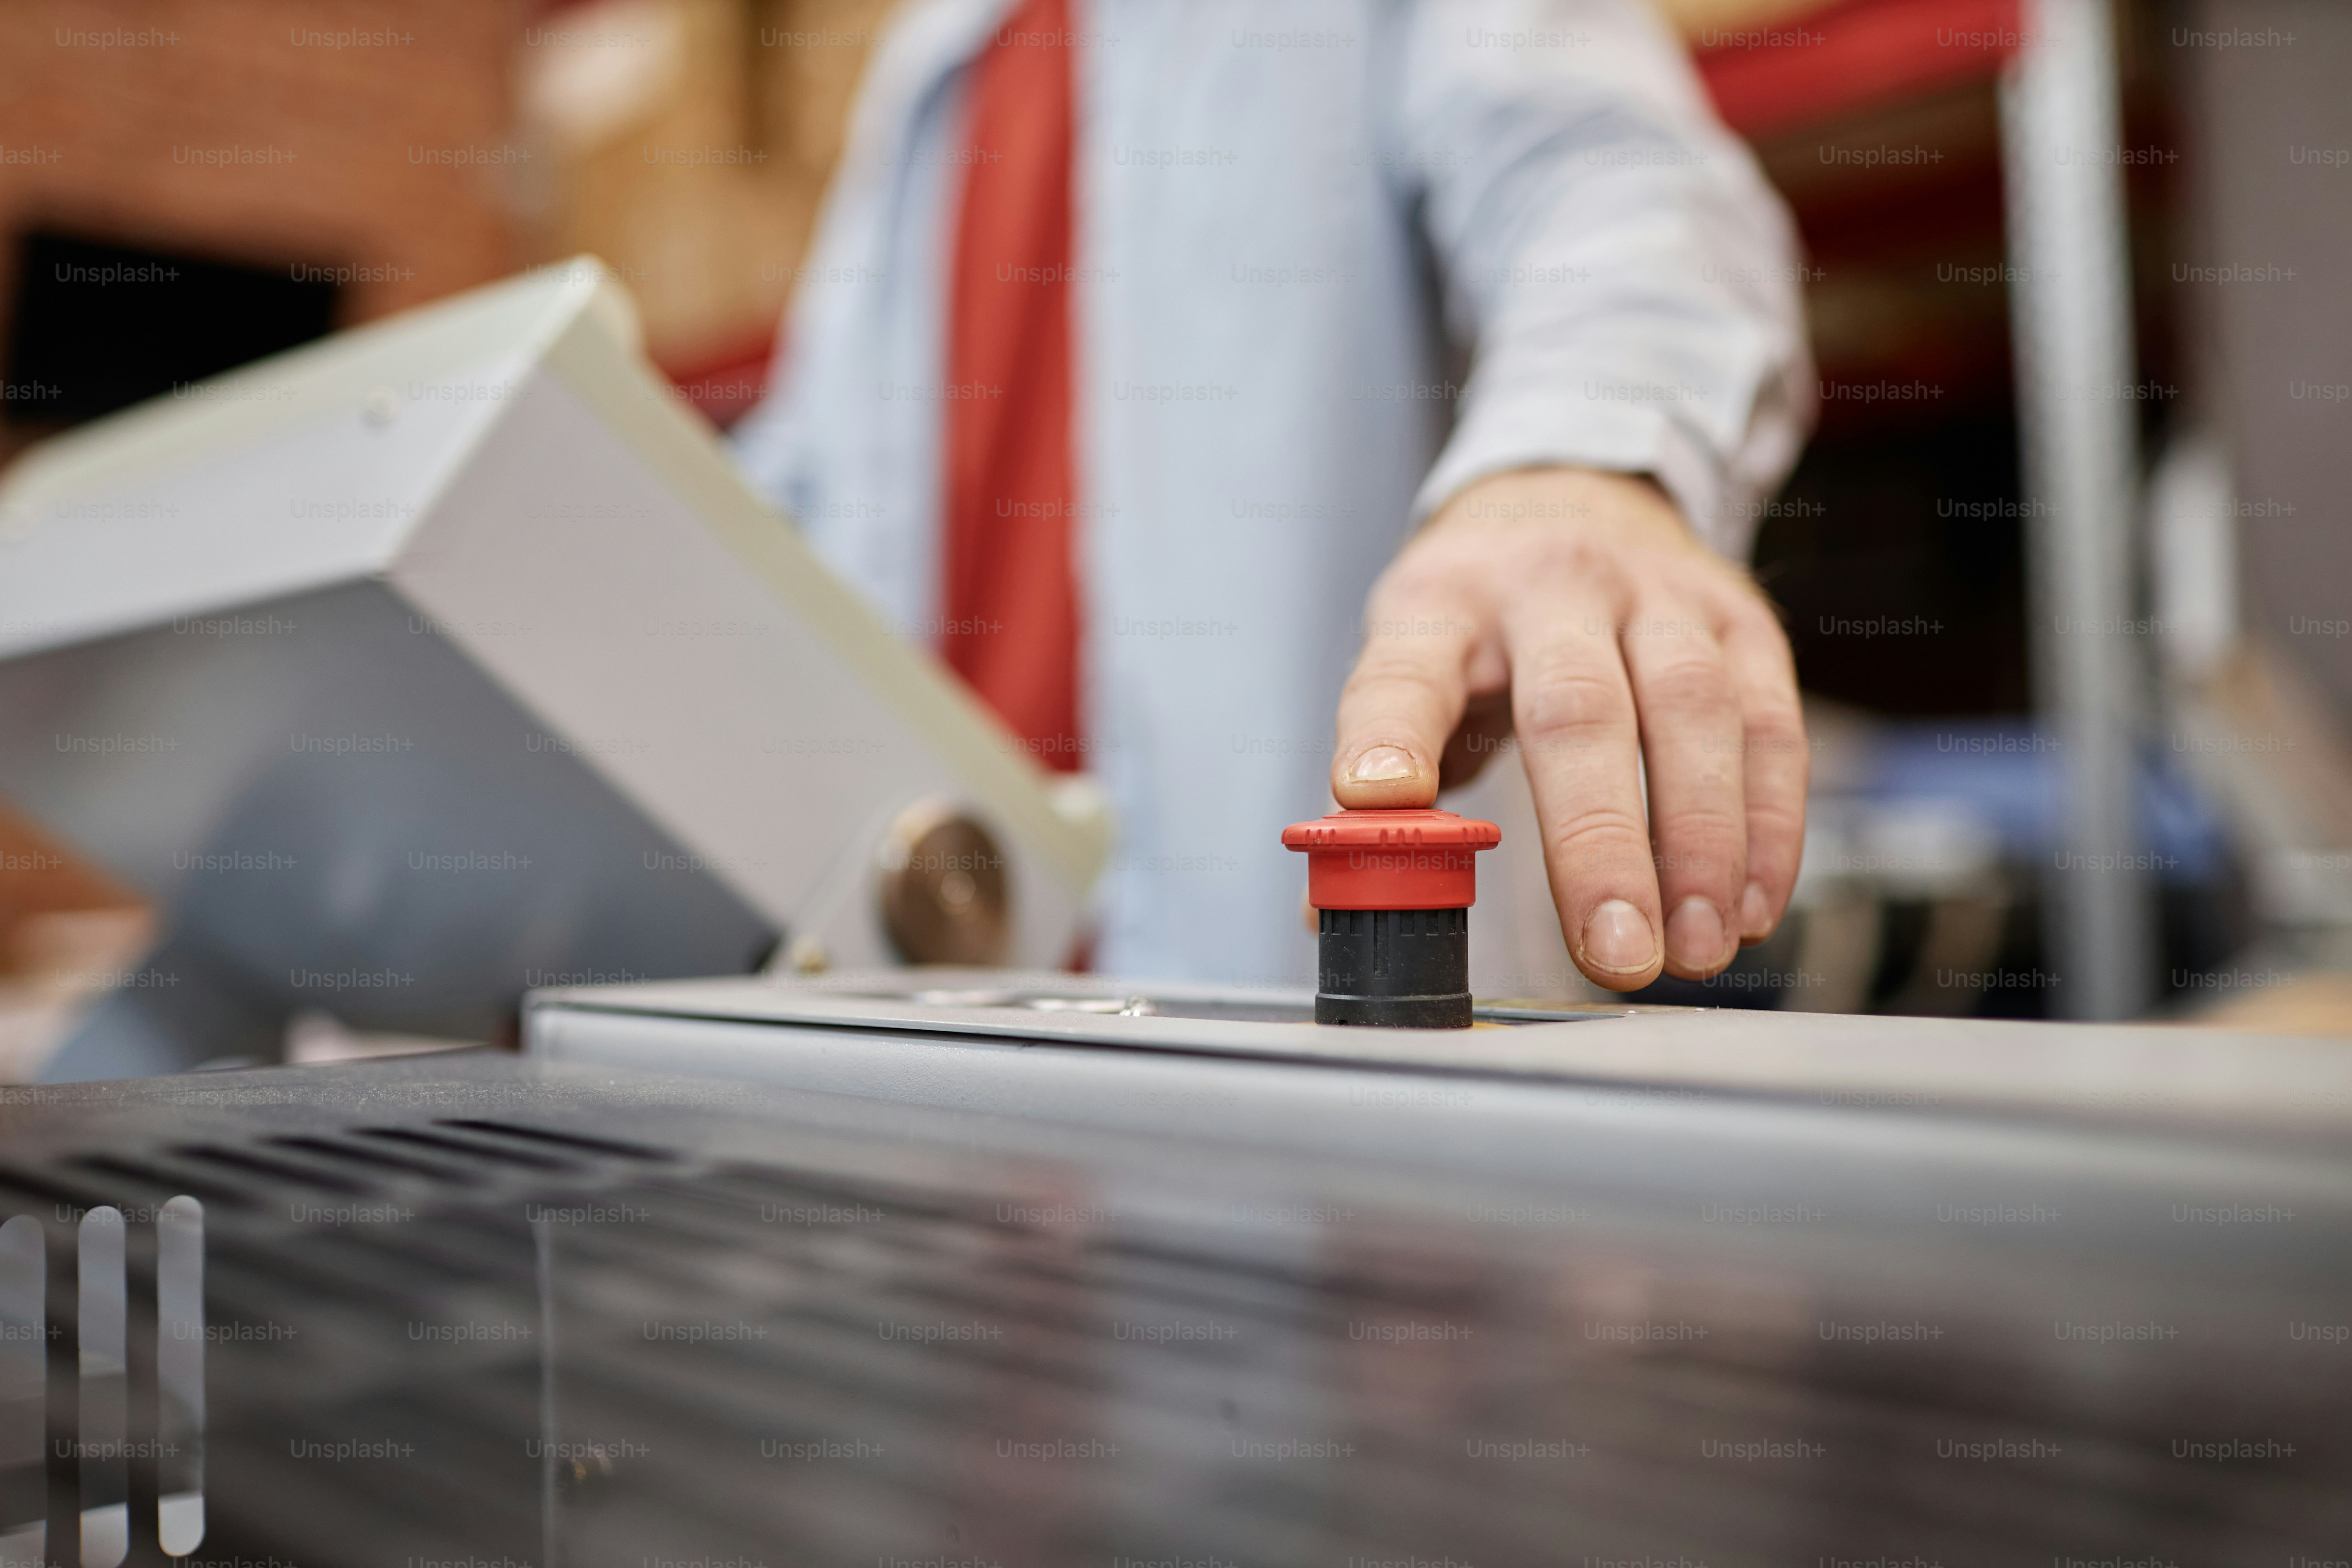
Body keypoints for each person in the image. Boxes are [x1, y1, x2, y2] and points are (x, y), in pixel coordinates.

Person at [733, 0, 1814, 992]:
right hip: (932, 1020)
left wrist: (1578, 463)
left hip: (1275, 1017)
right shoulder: (931, 57)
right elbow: (803, 480)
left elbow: (1619, 192)